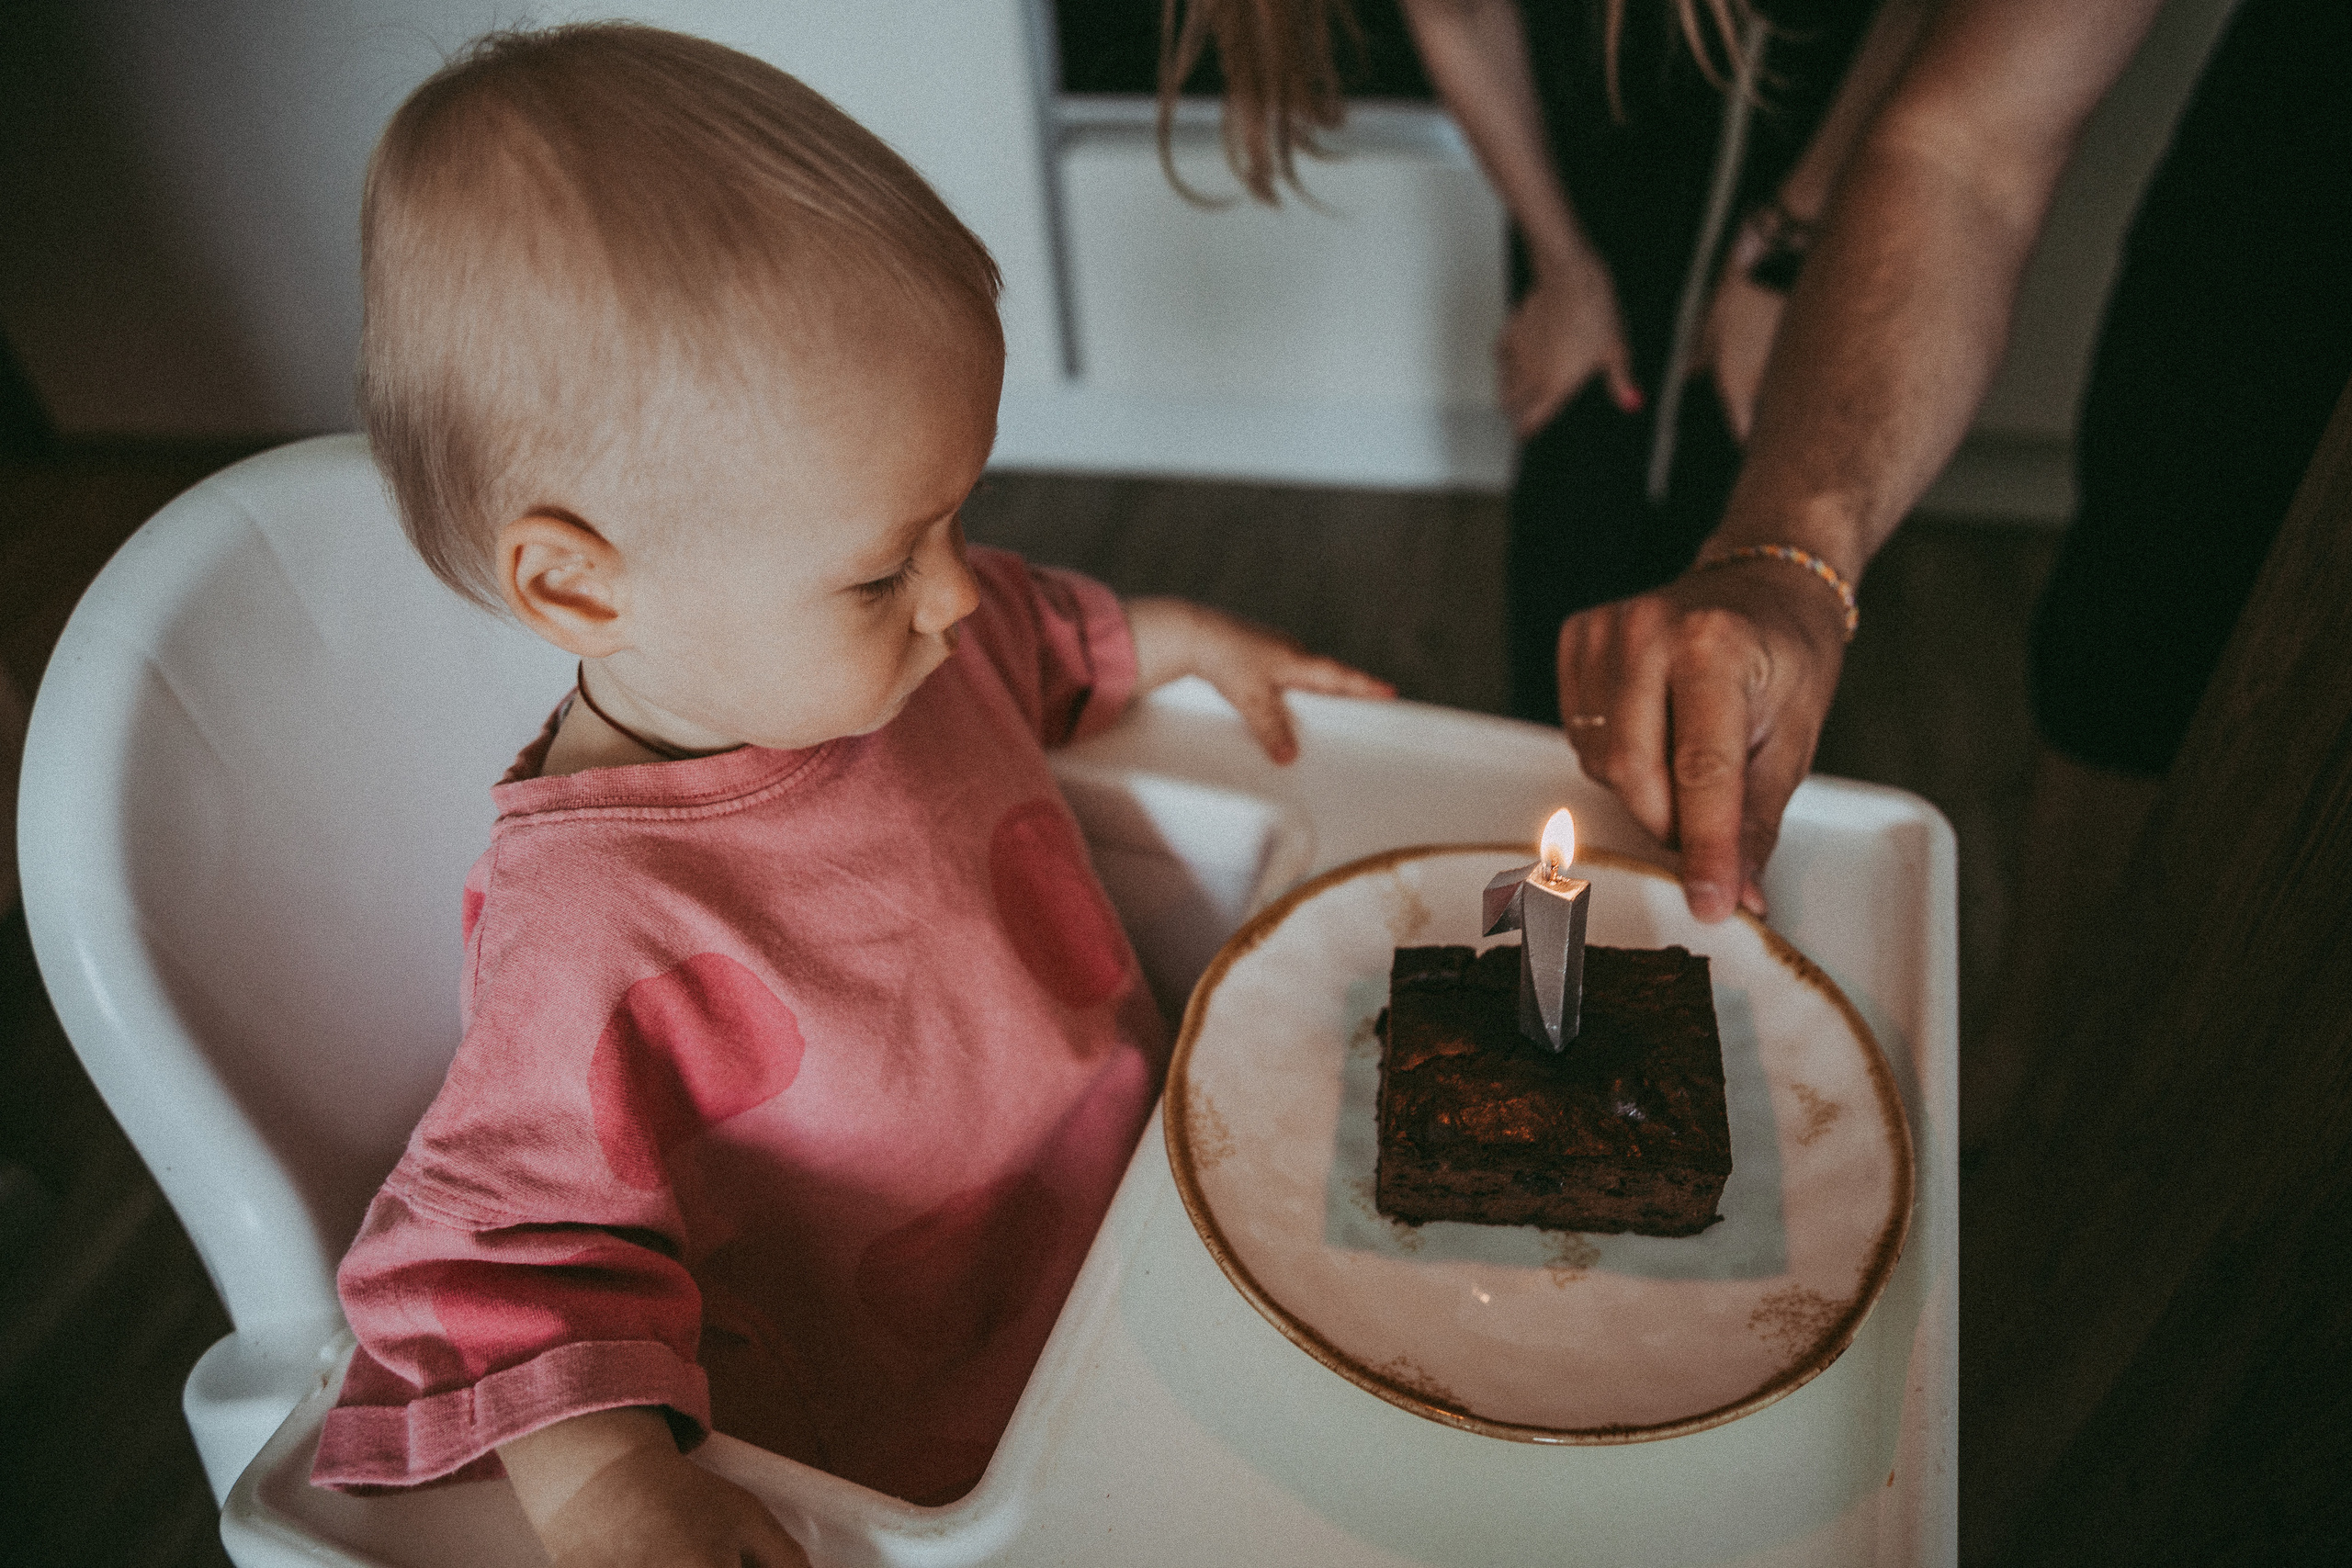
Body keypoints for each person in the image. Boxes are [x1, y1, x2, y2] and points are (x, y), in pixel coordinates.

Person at [309, 25, 1391, 1566]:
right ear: (580, 587)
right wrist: (609, 1490)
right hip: (932, 1429)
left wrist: (1175, 637)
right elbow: (500, 1256)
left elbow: (1026, 627)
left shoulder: (899, 653)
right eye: (886, 566)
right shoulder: (593, 920)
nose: (954, 594)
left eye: (956, 520)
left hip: (1143, 1231)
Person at [1549, 0, 2351, 1148]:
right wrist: (1785, 555)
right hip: (2296, 190)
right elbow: (1962, 145)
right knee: (2136, 633)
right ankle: (2036, 1095)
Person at [1164, 0, 1928, 723]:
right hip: (1584, 146)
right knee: (1574, 500)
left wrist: (1789, 251)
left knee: (1732, 490)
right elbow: (1457, 11)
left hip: (1821, 131)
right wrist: (1563, 266)